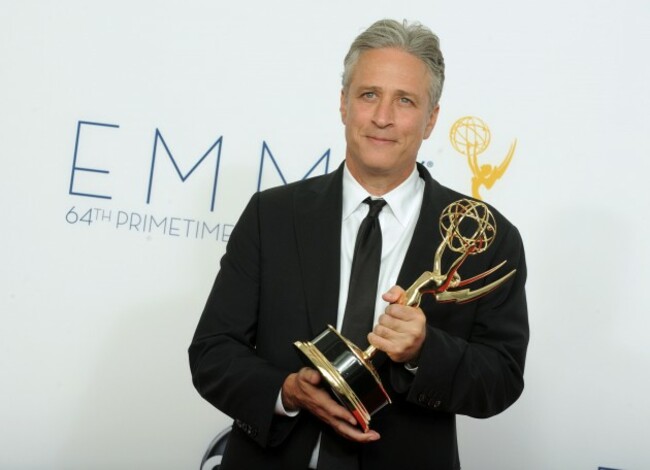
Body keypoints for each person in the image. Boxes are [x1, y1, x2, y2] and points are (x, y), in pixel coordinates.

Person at [189, 19, 528, 470]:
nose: (382, 117)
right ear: (343, 104)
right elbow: (212, 351)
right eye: (369, 94)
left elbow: (502, 378)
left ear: (431, 119)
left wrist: (425, 351)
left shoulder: (483, 236)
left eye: (404, 101)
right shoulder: (272, 215)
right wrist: (285, 392)